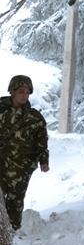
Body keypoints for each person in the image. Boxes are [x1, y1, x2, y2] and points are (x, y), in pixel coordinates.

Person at [0, 75, 50, 232]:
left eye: (27, 92)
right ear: (13, 92)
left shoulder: (34, 118)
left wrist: (44, 161)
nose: (24, 95)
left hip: (21, 167)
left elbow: (41, 141)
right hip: (1, 162)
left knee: (15, 200)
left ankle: (13, 232)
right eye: (21, 91)